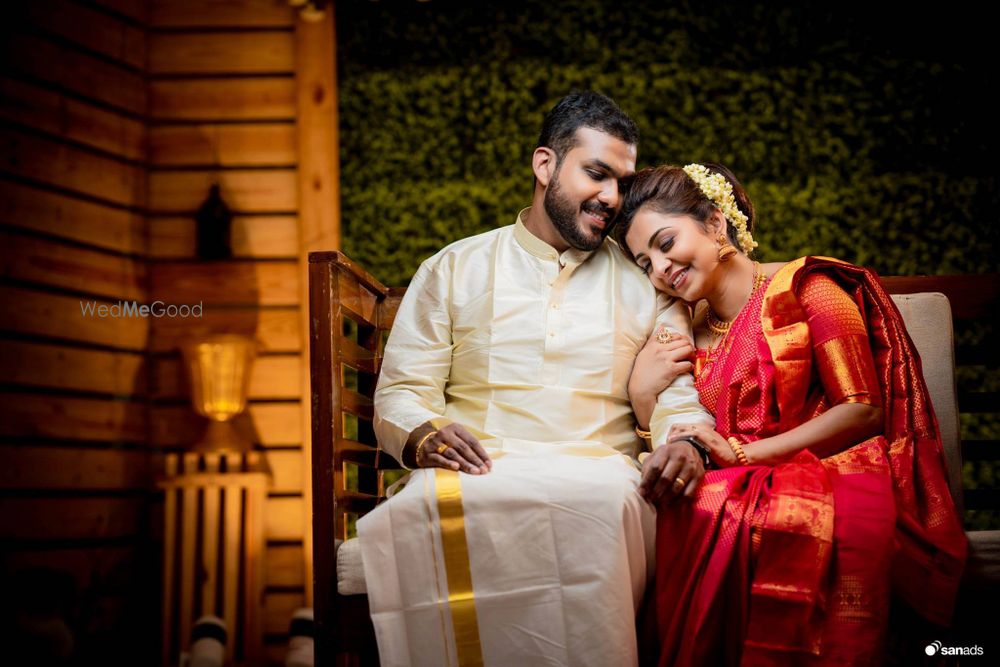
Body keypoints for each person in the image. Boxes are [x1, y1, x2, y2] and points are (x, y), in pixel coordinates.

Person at [358, 92, 713, 666]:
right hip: (475, 468)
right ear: (545, 164)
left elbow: (677, 394)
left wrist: (687, 443)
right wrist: (424, 433)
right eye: (596, 174)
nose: (611, 198)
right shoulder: (454, 267)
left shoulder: (645, 283)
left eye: (621, 182)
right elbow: (402, 391)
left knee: (605, 502)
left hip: (598, 471)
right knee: (422, 505)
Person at [617, 163, 968, 665]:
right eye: (644, 262)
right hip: (736, 479)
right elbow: (682, 436)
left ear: (716, 224)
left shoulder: (810, 289)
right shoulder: (682, 331)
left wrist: (743, 453)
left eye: (665, 243)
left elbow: (862, 411)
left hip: (834, 470)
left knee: (718, 505)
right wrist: (643, 395)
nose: (660, 268)